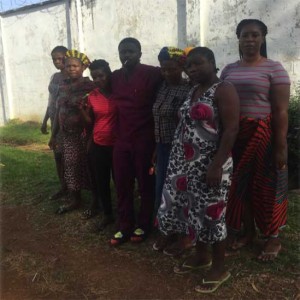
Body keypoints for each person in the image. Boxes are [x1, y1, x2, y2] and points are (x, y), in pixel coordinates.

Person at [157, 47, 240, 293]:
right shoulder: (194, 90)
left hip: (212, 164)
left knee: (213, 214)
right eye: (189, 65)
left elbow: (231, 130)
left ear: (213, 63)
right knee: (194, 210)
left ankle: (220, 267)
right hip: (187, 164)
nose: (192, 69)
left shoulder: (224, 89)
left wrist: (216, 165)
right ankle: (202, 257)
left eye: (198, 64)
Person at [220, 19, 290, 262]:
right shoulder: (228, 70)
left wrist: (280, 147)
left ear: (262, 38)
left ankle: (273, 238)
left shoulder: (274, 68)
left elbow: (281, 110)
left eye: (254, 35)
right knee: (241, 188)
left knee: (267, 187)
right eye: (244, 35)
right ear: (238, 38)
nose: (249, 40)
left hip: (263, 137)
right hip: (235, 136)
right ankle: (248, 233)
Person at [110, 37, 162, 245]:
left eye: (131, 51)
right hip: (121, 140)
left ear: (140, 53)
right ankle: (124, 225)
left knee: (145, 184)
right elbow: (95, 81)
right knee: (122, 183)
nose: (126, 55)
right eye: (123, 52)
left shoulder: (153, 73)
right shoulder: (115, 77)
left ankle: (143, 224)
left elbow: (174, 74)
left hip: (144, 139)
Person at [152, 47, 192, 255]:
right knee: (162, 190)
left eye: (171, 69)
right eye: (163, 69)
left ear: (181, 67)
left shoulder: (188, 89)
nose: (166, 73)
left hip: (181, 149)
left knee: (179, 192)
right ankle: (166, 230)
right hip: (162, 146)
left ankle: (183, 234)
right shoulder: (161, 87)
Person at [49, 49, 96, 214]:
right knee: (70, 165)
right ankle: (75, 199)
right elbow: (58, 110)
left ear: (83, 67)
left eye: (75, 66)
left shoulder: (90, 85)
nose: (71, 69)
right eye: (68, 66)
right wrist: (54, 134)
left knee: (90, 166)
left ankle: (96, 201)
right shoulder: (62, 85)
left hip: (85, 134)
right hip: (67, 134)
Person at [80, 59, 116, 230]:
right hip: (98, 144)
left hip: (119, 144)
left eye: (101, 76)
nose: (98, 80)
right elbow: (89, 123)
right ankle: (107, 214)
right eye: (94, 77)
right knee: (102, 181)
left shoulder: (119, 92)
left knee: (121, 181)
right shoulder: (92, 96)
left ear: (108, 74)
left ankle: (126, 214)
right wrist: (82, 111)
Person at [41, 46, 68, 200]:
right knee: (57, 156)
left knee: (68, 157)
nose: (57, 62)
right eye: (54, 59)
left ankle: (73, 189)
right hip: (53, 119)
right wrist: (45, 121)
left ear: (67, 56)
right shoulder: (54, 77)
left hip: (65, 121)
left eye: (60, 58)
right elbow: (51, 101)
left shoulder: (72, 75)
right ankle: (63, 186)